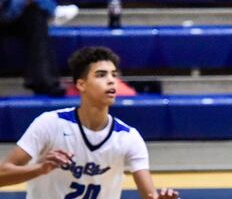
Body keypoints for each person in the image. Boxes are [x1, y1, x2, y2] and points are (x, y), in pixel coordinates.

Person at [0, 46, 179, 198]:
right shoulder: (50, 123)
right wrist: (40, 169)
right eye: (101, 75)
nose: (111, 80)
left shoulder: (128, 137)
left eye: (114, 75)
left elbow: (149, 195)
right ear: (81, 84)